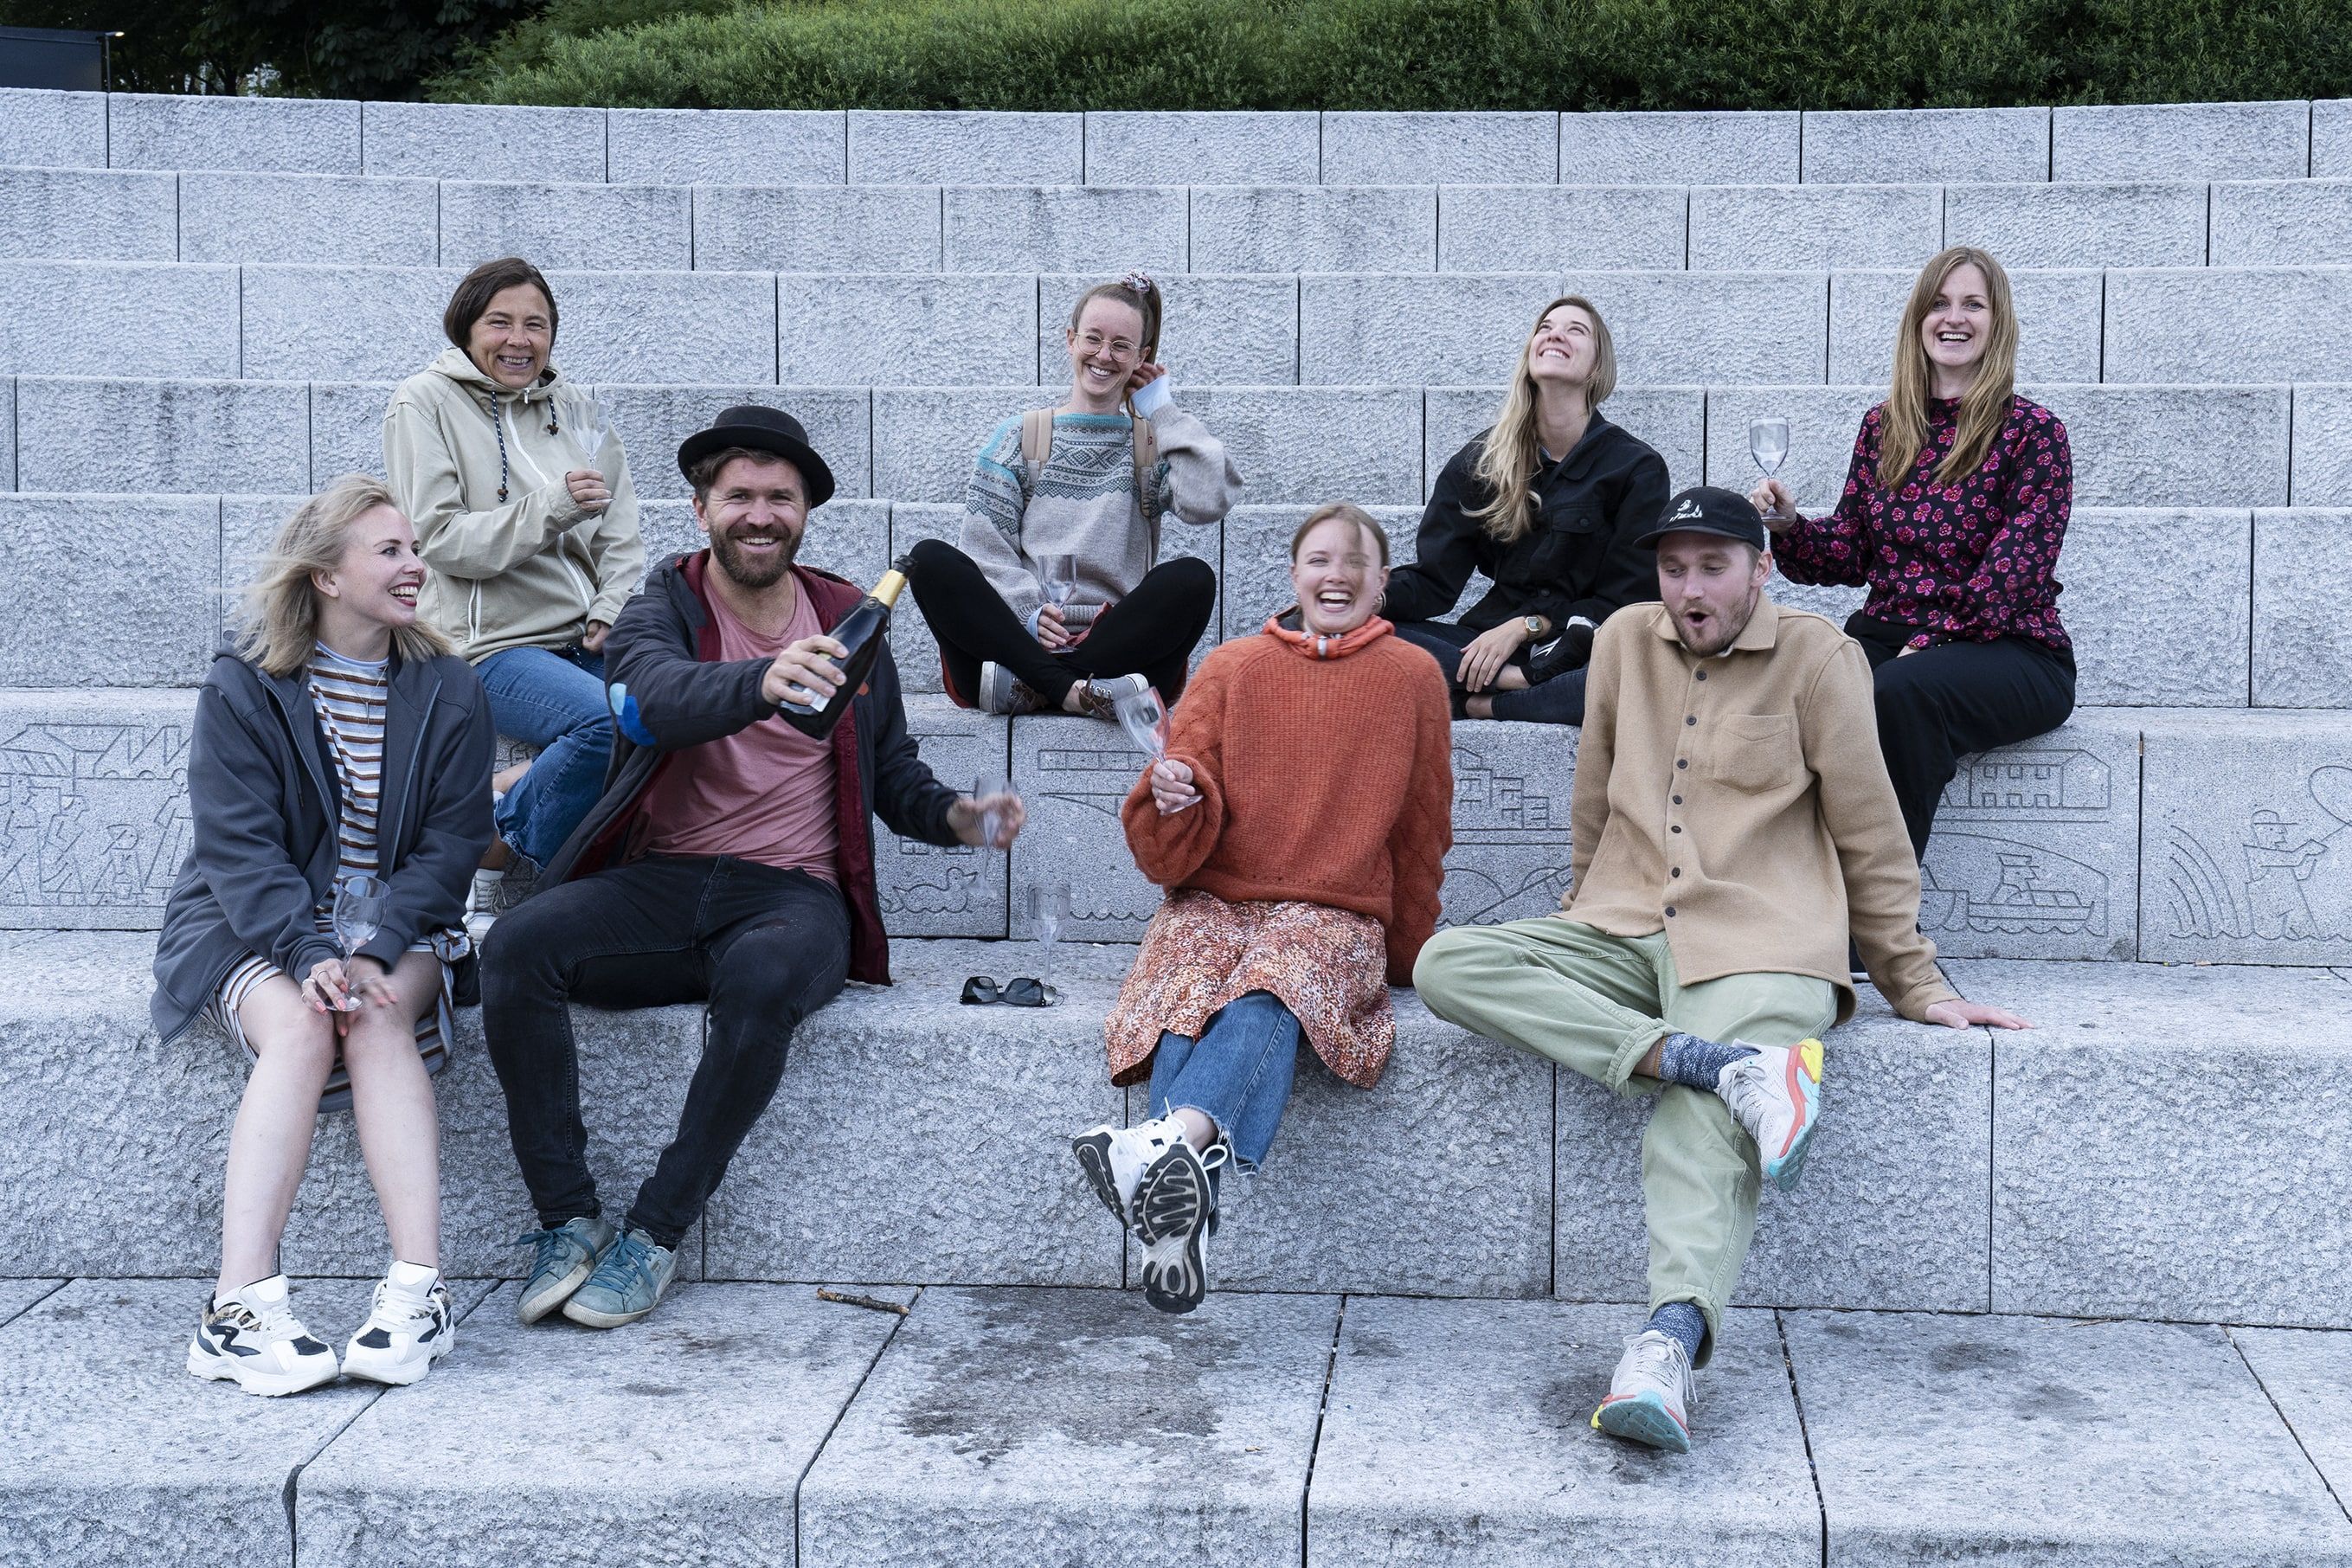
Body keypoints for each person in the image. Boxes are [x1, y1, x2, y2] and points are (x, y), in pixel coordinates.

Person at [1413, 486, 2029, 1454]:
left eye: (1712, 566)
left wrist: (1915, 983)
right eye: (1673, 567)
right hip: (1620, 924)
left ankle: (1668, 1340)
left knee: (1696, 1123)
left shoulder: (1821, 657)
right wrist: (1582, 912)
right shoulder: (1622, 639)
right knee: (1448, 962)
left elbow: (1872, 833)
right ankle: (1715, 1064)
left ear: (1759, 568)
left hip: (1764, 936)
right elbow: (1595, 797)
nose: (1689, 587)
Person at [480, 405, 1025, 1332]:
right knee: (516, 949)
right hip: (665, 876)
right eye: (739, 496)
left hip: (792, 896)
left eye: (780, 496)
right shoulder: (670, 598)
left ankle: (653, 1233)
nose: (759, 513)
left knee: (766, 978)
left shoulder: (851, 617)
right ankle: (566, 1217)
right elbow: (648, 690)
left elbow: (890, 772)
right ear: (702, 509)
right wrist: (760, 680)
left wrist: (956, 818)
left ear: (806, 510)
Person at [151, 475, 494, 1396]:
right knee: (305, 1026)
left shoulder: (448, 687)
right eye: (389, 550)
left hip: (395, 926)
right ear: (327, 577)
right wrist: (307, 954)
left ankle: (417, 1297)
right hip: (250, 923)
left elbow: (453, 842)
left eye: (415, 548)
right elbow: (238, 843)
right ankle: (238, 1310)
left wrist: (374, 948)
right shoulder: (247, 685)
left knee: (378, 1017)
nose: (415, 565)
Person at [1071, 503, 1452, 1314]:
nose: (1337, 574)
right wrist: (1170, 794)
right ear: (1292, 576)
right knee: (1186, 985)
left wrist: (1409, 950)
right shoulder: (1232, 667)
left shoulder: (1414, 676)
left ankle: (1161, 1151)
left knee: (1277, 978)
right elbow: (1172, 816)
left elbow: (1423, 824)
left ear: (1385, 583)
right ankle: (1185, 1189)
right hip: (1218, 896)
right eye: (1319, 559)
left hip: (1333, 907)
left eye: (1357, 562)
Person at [1750, 245, 2074, 860]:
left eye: (1973, 304)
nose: (1954, 318)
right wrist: (1789, 526)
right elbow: (1850, 553)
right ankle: (1768, 891)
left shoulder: (2033, 433)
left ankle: (1877, 922)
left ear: (1997, 322)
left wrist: (1927, 643)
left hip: (2007, 647)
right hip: (1894, 636)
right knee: (1782, 687)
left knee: (1899, 691)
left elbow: (2010, 578)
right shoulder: (1885, 427)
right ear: (1918, 321)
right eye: (1939, 303)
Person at [383, 255, 646, 929]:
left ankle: (517, 822)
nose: (519, 339)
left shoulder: (576, 408)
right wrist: (553, 506)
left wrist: (613, 603)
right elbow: (440, 540)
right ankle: (499, 839)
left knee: (670, 717)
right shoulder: (425, 402)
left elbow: (620, 526)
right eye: (500, 322)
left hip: (580, 633)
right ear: (467, 330)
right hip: (485, 644)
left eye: (537, 324)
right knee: (604, 724)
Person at [903, 272, 1239, 718]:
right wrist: (1028, 614)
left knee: (1194, 578)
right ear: (1070, 339)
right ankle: (1071, 690)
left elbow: (1211, 498)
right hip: (1018, 643)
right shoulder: (1022, 436)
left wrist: (1162, 411)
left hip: (1114, 646)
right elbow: (984, 548)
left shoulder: (1151, 445)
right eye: (1093, 339)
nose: (1104, 355)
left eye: (1121, 346)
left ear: (1142, 357)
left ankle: (1044, 687)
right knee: (928, 559)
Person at [1385, 294, 1669, 725]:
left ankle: (1476, 703)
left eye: (1576, 330)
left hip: (1579, 647)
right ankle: (1513, 684)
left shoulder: (1635, 468)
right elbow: (1434, 582)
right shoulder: (1482, 460)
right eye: (1546, 327)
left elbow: (1626, 603)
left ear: (1597, 366)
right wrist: (1372, 596)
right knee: (1349, 632)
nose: (1555, 333)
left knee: (1626, 681)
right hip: (1484, 646)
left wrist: (1527, 626)